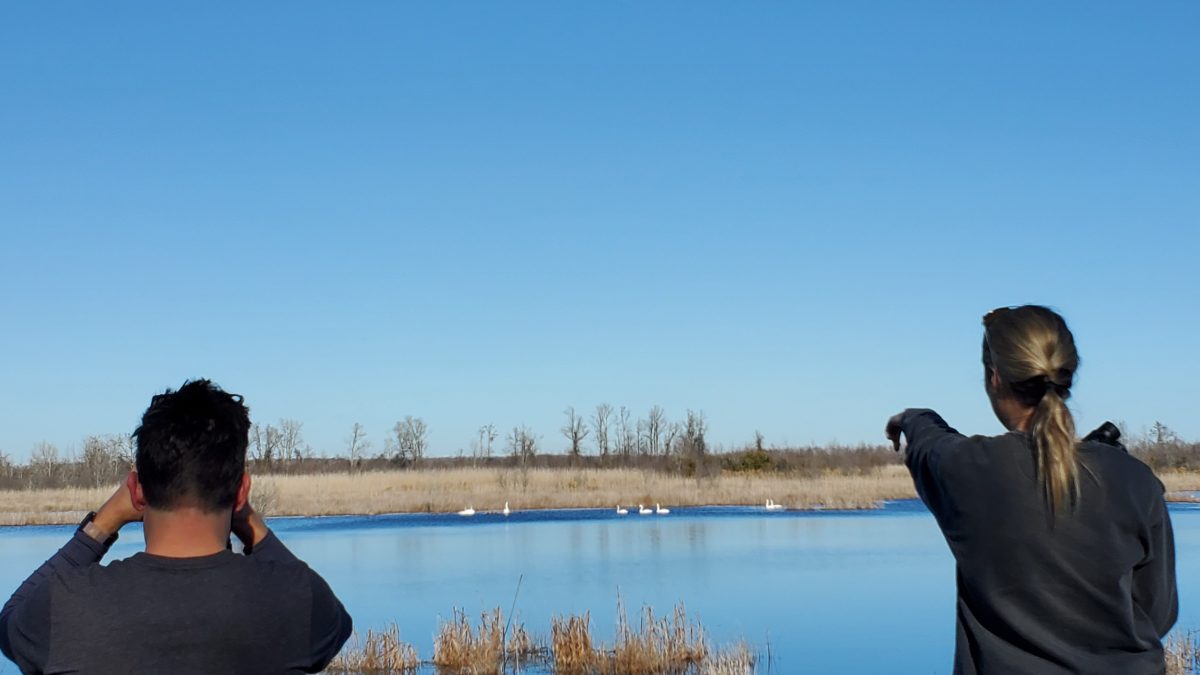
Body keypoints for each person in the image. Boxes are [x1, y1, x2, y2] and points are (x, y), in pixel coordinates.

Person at [886, 305, 1177, 675]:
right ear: (1066, 375)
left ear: (994, 377)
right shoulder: (1137, 479)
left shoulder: (967, 470)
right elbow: (1158, 612)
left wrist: (911, 417)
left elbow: (930, 443)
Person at [0, 380, 353, 674]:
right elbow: (337, 626)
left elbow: (9, 623)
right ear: (242, 491)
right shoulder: (294, 598)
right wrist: (254, 529)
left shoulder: (67, 603)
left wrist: (102, 525)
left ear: (137, 490)